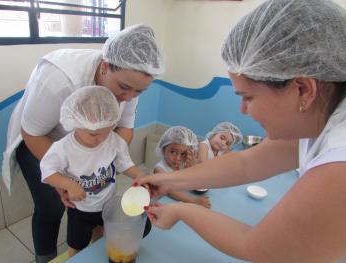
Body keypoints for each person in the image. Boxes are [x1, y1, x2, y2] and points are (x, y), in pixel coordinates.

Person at [135, 0, 346, 262]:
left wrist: (181, 211)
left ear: (302, 89)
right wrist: (167, 181)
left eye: (248, 97)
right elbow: (247, 162)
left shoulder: (340, 164)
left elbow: (259, 248)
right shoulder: (323, 115)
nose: (243, 110)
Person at [2, 24, 164, 262]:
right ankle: (45, 257)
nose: (129, 98)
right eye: (124, 88)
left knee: (98, 206)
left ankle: (94, 248)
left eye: (139, 92)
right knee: (52, 207)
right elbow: (33, 134)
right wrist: (67, 178)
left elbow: (125, 132)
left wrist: (107, 156)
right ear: (105, 66)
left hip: (90, 145)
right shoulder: (59, 78)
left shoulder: (128, 87)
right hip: (41, 138)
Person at [40, 85, 150, 257]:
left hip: (107, 204)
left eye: (106, 132)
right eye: (93, 134)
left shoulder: (113, 140)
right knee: (76, 244)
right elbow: (47, 172)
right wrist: (68, 184)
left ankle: (95, 250)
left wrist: (137, 174)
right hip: (80, 209)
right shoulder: (63, 148)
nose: (100, 139)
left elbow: (124, 163)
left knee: (99, 235)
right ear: (75, 123)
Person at [154, 126, 211, 208]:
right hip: (159, 204)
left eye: (183, 154)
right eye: (173, 152)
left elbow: (196, 177)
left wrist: (191, 166)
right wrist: (194, 201)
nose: (178, 158)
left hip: (175, 203)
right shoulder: (159, 169)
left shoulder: (184, 164)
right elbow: (169, 190)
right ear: (163, 150)